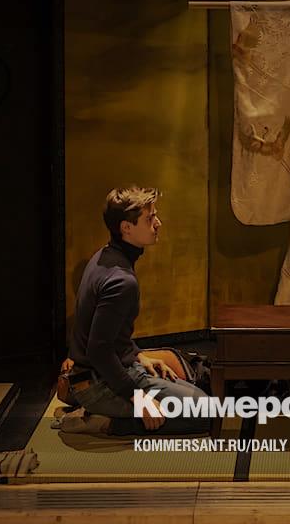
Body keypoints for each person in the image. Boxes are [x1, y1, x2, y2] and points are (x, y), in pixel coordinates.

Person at [62, 186, 210, 436]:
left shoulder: (105, 255)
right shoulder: (121, 280)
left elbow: (111, 335)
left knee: (195, 391)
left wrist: (138, 356)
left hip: (107, 371)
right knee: (206, 413)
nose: (158, 224)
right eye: (150, 219)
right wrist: (138, 398)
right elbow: (98, 350)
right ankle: (105, 423)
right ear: (126, 228)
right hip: (97, 384)